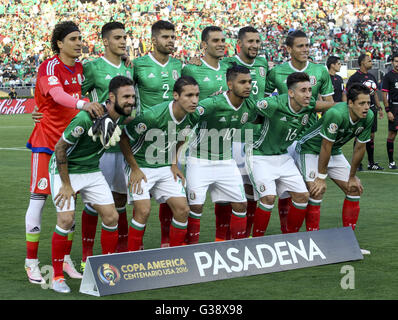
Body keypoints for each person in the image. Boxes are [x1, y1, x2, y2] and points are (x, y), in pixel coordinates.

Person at [24, 21, 104, 285]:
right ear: (59, 43)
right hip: (47, 143)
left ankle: (66, 260)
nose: (80, 42)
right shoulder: (49, 66)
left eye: (81, 38)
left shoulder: (82, 68)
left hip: (72, 145)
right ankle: (31, 262)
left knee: (70, 204)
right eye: (73, 38)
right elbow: (57, 95)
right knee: (39, 200)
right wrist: (84, 104)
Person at [49, 75, 135, 293]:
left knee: (111, 216)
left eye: (133, 97)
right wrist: (67, 185)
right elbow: (60, 149)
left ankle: (105, 273)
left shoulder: (120, 117)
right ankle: (57, 276)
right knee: (66, 219)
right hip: (65, 169)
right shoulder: (86, 118)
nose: (131, 101)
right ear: (112, 97)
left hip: (91, 170)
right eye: (126, 97)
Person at [264, 30, 335, 233]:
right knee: (286, 191)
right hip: (283, 137)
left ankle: (311, 235)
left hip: (309, 136)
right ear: (288, 49)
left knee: (312, 187)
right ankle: (289, 234)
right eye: (300, 46)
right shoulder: (276, 72)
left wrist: (307, 103)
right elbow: (267, 104)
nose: (305, 49)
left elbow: (330, 104)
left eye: (307, 45)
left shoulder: (320, 71)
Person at [119, 76, 201, 251]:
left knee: (182, 210)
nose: (194, 100)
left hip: (165, 167)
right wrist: (134, 168)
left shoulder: (192, 116)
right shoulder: (152, 116)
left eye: (196, 95)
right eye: (189, 95)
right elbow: (124, 137)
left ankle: (174, 255)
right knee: (143, 210)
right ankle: (133, 257)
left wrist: (173, 163)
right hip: (140, 165)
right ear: (176, 96)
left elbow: (182, 137)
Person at [245, 72, 331, 236]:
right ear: (291, 93)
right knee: (268, 198)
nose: (308, 94)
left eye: (309, 90)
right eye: (303, 90)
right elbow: (252, 110)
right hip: (259, 154)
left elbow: (322, 105)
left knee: (302, 196)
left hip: (282, 156)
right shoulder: (274, 104)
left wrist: (346, 106)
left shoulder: (308, 104)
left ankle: (291, 239)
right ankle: (256, 240)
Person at [80, 21, 134, 271]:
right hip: (99, 145)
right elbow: (76, 94)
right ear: (105, 41)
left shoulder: (129, 69)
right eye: (117, 38)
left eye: (125, 37)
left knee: (121, 197)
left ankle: (121, 250)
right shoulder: (92, 67)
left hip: (123, 143)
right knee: (93, 201)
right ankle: (87, 255)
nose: (123, 41)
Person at [295, 83, 374, 247]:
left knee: (354, 188)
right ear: (350, 103)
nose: (366, 107)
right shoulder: (335, 114)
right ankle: (313, 243)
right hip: (310, 149)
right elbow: (325, 146)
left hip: (334, 150)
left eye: (368, 103)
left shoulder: (369, 116)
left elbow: (360, 147)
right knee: (317, 191)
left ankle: (349, 242)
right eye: (362, 103)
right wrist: (321, 177)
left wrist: (352, 177)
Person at [185, 65, 257, 244]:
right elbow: (185, 120)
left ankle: (235, 248)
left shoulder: (250, 105)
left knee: (241, 205)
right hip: (199, 160)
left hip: (226, 161)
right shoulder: (212, 104)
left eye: (249, 82)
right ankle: (189, 250)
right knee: (195, 208)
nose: (247, 86)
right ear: (230, 85)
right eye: (242, 82)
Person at [133, 20, 182, 248]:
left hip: (172, 139)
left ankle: (167, 244)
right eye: (165, 37)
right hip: (144, 139)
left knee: (173, 198)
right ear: (153, 40)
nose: (170, 40)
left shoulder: (180, 66)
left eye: (172, 36)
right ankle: (134, 247)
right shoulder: (137, 65)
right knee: (137, 205)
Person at [346, 53, 384, 171]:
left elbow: (375, 94)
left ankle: (371, 163)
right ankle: (357, 164)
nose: (371, 62)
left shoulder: (372, 77)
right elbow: (348, 92)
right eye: (369, 60)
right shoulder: (355, 78)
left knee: (371, 136)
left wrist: (379, 108)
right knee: (358, 136)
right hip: (359, 111)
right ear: (362, 62)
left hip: (371, 109)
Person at [182, 26, 228, 100]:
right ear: (204, 44)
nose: (221, 44)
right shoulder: (191, 69)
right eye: (215, 41)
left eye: (223, 40)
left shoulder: (228, 67)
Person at [381, 52, 398, 169]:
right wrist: (388, 110)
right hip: (394, 107)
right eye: (396, 61)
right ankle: (391, 162)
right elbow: (384, 94)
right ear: (392, 62)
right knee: (392, 134)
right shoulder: (388, 76)